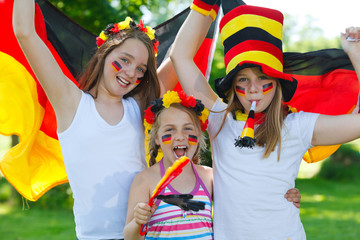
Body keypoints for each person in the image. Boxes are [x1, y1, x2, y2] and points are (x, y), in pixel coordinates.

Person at [170, 2, 360, 239]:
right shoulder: (220, 118)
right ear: (232, 85)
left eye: (263, 78)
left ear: (277, 83)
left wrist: (355, 53)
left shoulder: (298, 126)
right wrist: (204, 4)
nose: (253, 89)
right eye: (243, 79)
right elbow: (180, 57)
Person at [12, 0, 177, 239]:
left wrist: (205, 9)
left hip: (146, 233)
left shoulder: (138, 107)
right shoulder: (71, 103)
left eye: (141, 69)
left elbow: (180, 54)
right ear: (104, 53)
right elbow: (25, 32)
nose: (131, 73)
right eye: (125, 59)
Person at [123, 90, 302, 240]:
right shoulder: (145, 180)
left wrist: (282, 195)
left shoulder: (209, 177)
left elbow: (243, 199)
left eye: (188, 128)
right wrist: (138, 221)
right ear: (156, 138)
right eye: (170, 129)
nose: (180, 136)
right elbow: (129, 237)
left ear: (199, 135)